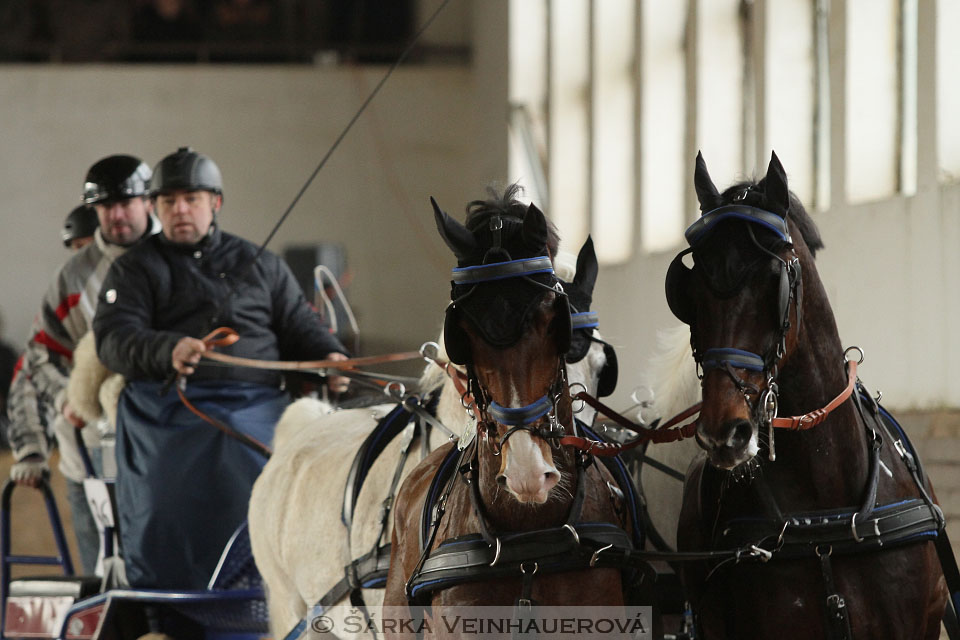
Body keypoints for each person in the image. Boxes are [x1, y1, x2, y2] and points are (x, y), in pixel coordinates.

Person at [93, 146, 349, 590]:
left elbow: (301, 326)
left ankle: (279, 587)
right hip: (170, 409)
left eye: (192, 199)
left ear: (216, 203)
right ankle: (169, 603)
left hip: (261, 403)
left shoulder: (263, 264)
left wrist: (329, 358)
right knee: (171, 489)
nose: (181, 210)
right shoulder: (133, 270)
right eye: (169, 202)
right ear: (154, 207)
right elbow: (114, 339)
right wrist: (168, 348)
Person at [5, 154, 158, 576]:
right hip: (89, 459)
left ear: (149, 201)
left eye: (127, 202)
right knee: (104, 578)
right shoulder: (71, 279)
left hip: (168, 453)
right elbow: (36, 364)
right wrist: (34, 446)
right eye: (106, 206)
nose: (118, 214)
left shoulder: (181, 258)